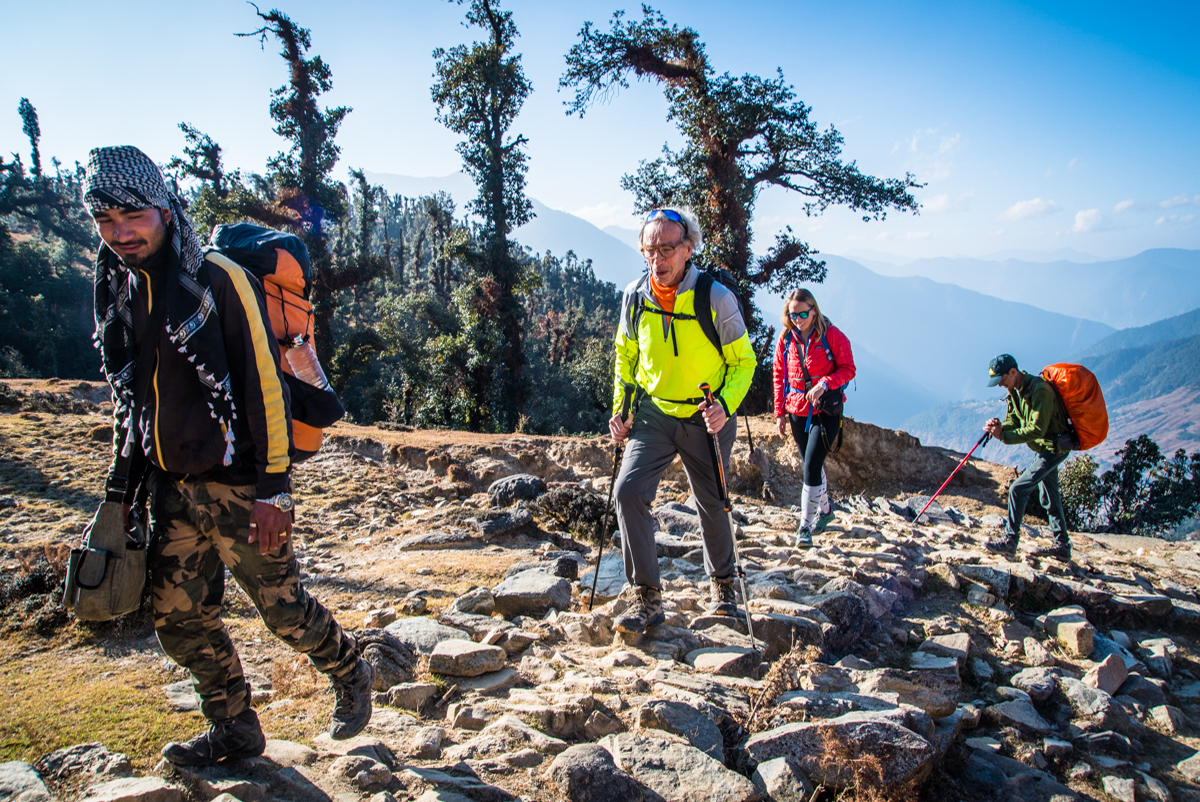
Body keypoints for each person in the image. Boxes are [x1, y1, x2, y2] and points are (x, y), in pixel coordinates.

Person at [82, 146, 373, 766]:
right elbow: (129, 399)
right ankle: (235, 727)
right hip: (169, 484)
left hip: (239, 483)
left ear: (164, 208)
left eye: (132, 216)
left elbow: (265, 384)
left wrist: (275, 489)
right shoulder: (120, 288)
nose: (120, 233)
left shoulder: (217, 280)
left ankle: (350, 670)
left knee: (283, 609)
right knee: (179, 618)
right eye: (105, 222)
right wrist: (119, 489)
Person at [609, 208, 758, 634]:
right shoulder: (635, 296)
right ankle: (646, 599)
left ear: (688, 248)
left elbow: (744, 362)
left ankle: (725, 588)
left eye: (667, 247)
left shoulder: (715, 297)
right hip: (655, 410)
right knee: (628, 491)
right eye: (650, 249)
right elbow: (626, 357)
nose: (658, 258)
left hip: (705, 413)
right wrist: (622, 409)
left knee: (711, 501)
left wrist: (724, 405)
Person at [772, 289, 856, 547]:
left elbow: (848, 369)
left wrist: (825, 383)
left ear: (814, 310)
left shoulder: (832, 335)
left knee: (809, 468)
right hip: (796, 409)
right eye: (792, 314)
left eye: (803, 313)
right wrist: (779, 413)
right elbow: (778, 374)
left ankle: (804, 528)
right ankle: (827, 511)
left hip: (825, 410)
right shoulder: (786, 339)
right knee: (814, 465)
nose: (798, 318)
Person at [982, 354, 1073, 560]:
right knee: (1049, 496)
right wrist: (1000, 427)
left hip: (1054, 447)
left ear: (1013, 372)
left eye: (1002, 379)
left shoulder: (1041, 390)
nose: (1000, 385)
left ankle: (1010, 541)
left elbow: (1037, 430)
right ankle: (1062, 546)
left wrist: (1002, 436)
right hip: (1044, 448)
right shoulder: (1014, 391)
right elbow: (1013, 421)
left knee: (1018, 489)